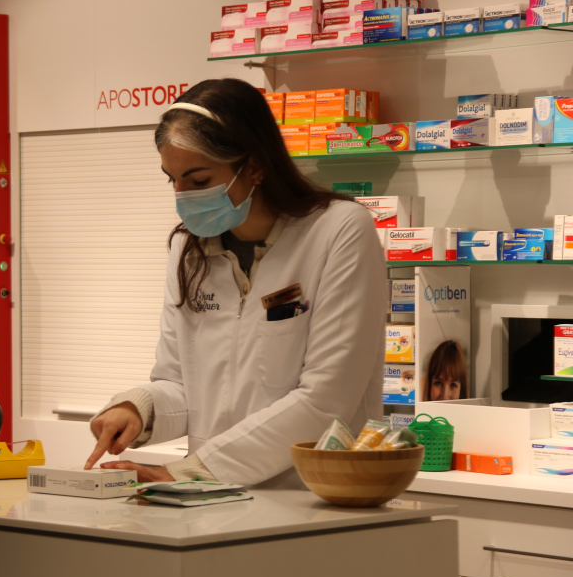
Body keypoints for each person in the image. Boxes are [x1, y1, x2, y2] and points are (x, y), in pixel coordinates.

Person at [84, 78, 387, 485]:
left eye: (198, 181)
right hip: (210, 499)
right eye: (171, 180)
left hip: (312, 494)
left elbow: (326, 399)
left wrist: (191, 472)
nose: (182, 196)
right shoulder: (189, 252)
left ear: (255, 166)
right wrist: (139, 409)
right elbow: (180, 382)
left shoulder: (339, 231)